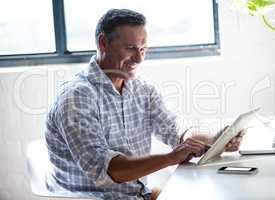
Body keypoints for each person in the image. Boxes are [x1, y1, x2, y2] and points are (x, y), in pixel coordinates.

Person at [45, 9, 243, 200]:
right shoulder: (77, 97)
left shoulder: (142, 88)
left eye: (143, 49)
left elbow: (174, 130)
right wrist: (171, 157)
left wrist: (217, 140)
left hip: (138, 195)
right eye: (131, 48)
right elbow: (107, 170)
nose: (139, 58)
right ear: (103, 43)